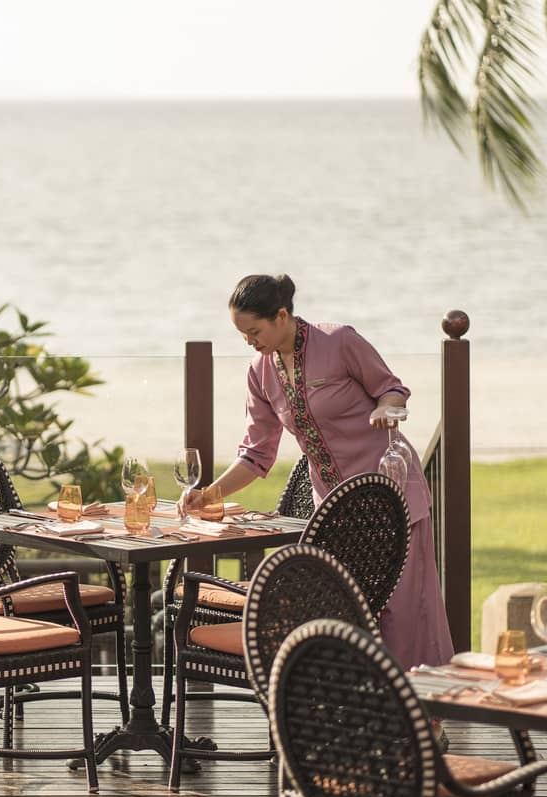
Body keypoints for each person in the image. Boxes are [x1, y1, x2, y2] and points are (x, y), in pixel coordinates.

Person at [177, 273, 453, 670]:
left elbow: (392, 388)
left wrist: (385, 409)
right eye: (242, 335)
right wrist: (210, 493)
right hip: (335, 512)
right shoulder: (260, 372)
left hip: (391, 494)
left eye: (254, 331)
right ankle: (354, 710)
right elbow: (256, 453)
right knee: (342, 612)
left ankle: (423, 717)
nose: (249, 342)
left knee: (404, 612)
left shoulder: (339, 341)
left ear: (282, 316)